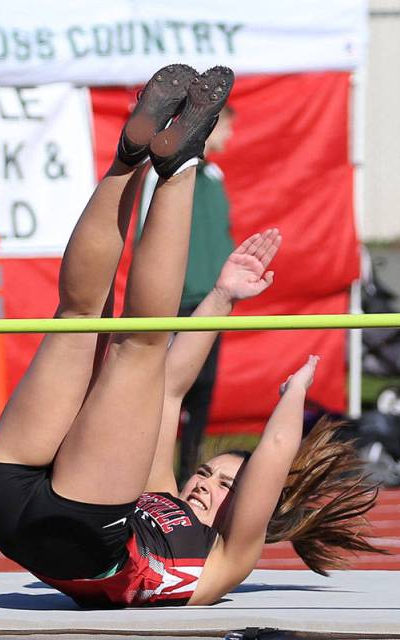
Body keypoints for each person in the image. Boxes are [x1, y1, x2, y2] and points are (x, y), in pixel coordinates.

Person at [0, 64, 382, 609]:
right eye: (210, 474)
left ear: (259, 511)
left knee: (138, 345)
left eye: (223, 488)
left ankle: (180, 162)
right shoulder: (158, 484)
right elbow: (169, 392)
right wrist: (221, 299)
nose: (204, 486)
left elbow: (278, 448)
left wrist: (295, 394)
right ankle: (131, 155)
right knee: (80, 317)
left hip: (75, 534)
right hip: (17, 497)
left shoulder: (229, 558)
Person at [136, 106, 236, 486]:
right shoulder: (166, 175)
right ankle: (148, 474)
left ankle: (188, 472)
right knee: (165, 389)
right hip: (175, 304)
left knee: (203, 389)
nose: (230, 137)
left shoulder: (215, 175)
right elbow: (149, 232)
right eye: (225, 127)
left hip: (210, 302)